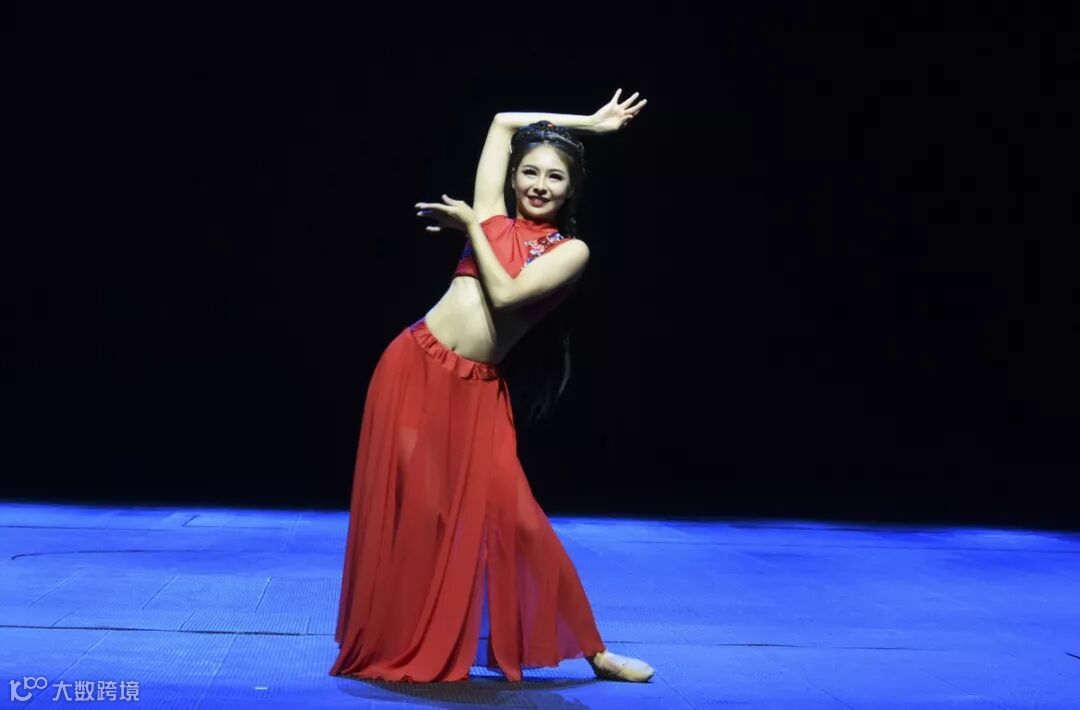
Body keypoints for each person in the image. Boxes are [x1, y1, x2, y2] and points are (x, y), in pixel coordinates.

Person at [330, 90, 652, 684]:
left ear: (571, 190)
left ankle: (595, 652)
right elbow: (504, 120)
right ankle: (396, 638)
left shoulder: (570, 251)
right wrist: (591, 124)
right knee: (422, 512)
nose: (539, 184)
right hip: (412, 367)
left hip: (476, 393)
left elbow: (505, 294)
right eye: (530, 171)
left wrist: (472, 226)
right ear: (513, 177)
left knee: (519, 520)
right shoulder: (492, 217)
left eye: (555, 177)